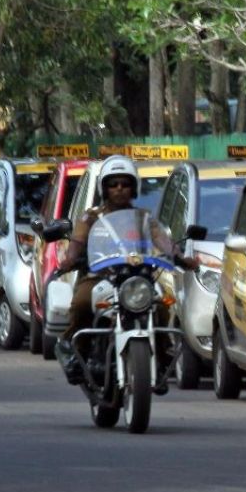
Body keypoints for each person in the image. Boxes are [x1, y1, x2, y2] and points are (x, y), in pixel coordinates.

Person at [54, 156, 198, 392]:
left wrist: (180, 257)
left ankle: (161, 357)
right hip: (100, 277)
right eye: (113, 184)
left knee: (161, 304)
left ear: (134, 187)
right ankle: (74, 351)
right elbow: (78, 242)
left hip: (137, 278)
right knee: (81, 302)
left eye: (125, 183)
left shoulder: (143, 217)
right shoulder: (90, 217)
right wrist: (69, 260)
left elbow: (162, 240)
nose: (119, 189)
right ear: (104, 188)